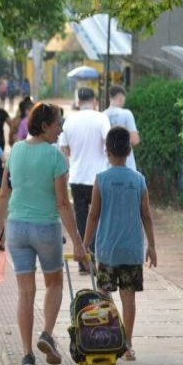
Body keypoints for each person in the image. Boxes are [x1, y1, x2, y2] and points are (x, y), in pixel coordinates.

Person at [0, 102, 86, 365]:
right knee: (54, 284)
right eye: (58, 124)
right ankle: (46, 333)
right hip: (45, 228)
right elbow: (63, 204)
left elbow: (4, 195)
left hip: (17, 228)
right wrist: (78, 243)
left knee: (25, 292)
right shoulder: (55, 156)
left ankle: (26, 355)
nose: (61, 129)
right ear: (45, 126)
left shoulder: (16, 151)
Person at [83, 127, 157, 361]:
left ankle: (107, 337)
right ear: (128, 150)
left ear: (107, 151)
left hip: (106, 251)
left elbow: (93, 215)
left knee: (103, 293)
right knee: (129, 297)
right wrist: (152, 246)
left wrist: (84, 244)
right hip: (132, 250)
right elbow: (146, 215)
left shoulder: (101, 179)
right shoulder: (138, 179)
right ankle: (127, 344)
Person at [58, 87, 111, 273]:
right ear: (94, 100)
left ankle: (83, 260)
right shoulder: (101, 118)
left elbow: (63, 149)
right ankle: (97, 256)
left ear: (78, 102)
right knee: (99, 217)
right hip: (99, 177)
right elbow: (108, 141)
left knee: (81, 220)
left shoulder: (69, 121)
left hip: (77, 176)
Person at [103, 85, 140, 170]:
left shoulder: (102, 115)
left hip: (107, 166)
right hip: (127, 165)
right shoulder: (127, 114)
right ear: (121, 98)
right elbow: (135, 140)